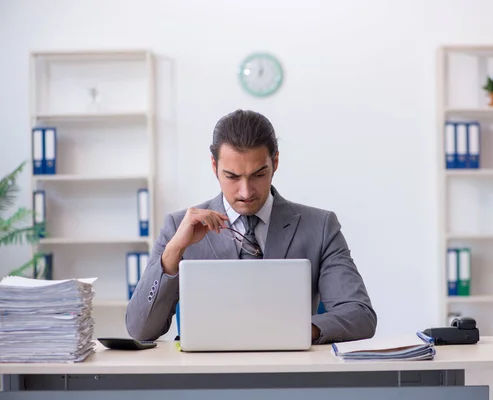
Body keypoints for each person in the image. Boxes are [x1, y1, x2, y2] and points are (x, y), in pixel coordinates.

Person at [125, 109, 377, 344]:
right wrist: (173, 252)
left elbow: (360, 316)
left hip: (290, 377)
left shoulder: (319, 227)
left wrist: (288, 332)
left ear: (275, 163)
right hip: (206, 381)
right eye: (232, 177)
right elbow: (140, 330)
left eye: (258, 174)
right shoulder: (179, 228)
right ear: (214, 167)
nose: (246, 192)